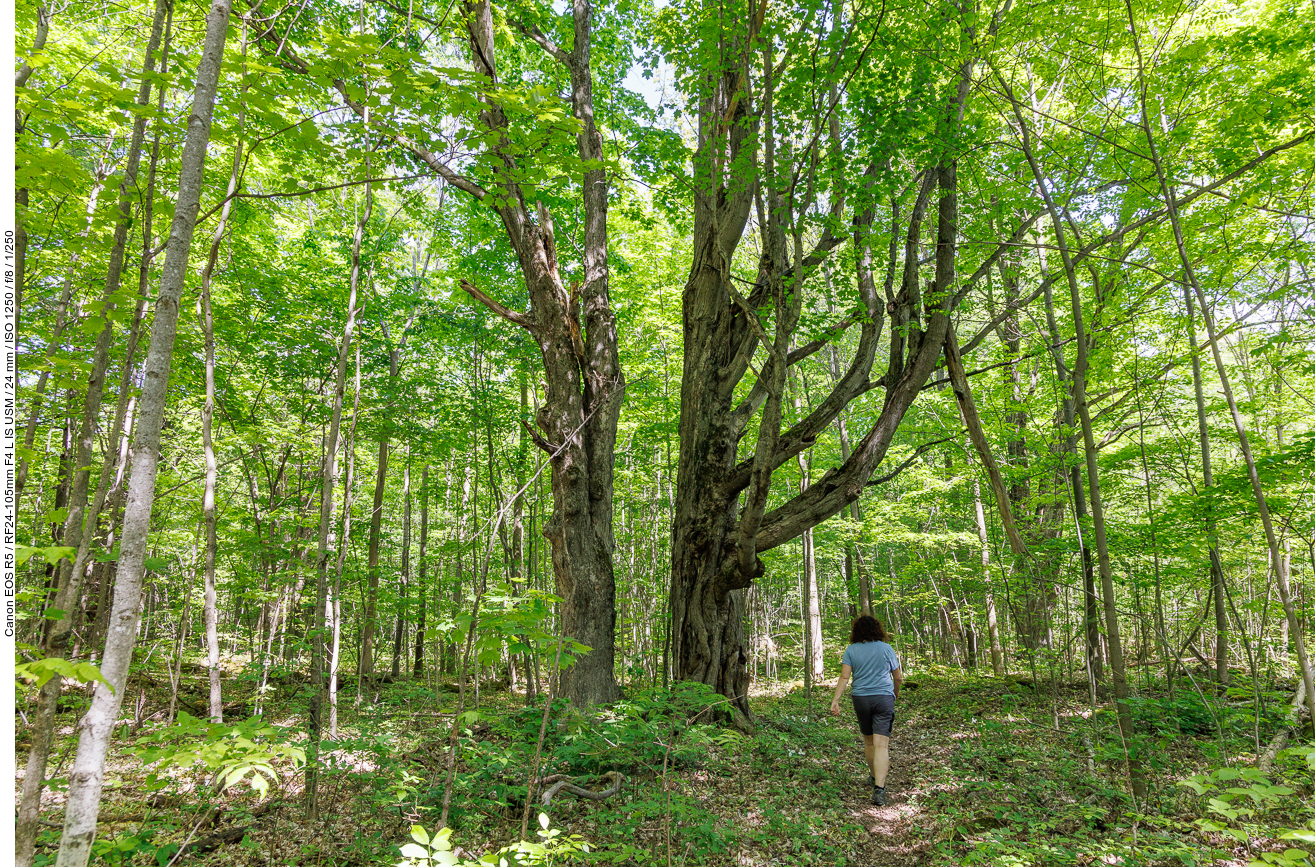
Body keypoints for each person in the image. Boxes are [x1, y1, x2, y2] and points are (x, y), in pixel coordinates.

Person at [829, 614, 903, 805]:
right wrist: (894, 694)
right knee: (881, 745)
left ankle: (873, 776)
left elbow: (844, 678)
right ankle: (879, 788)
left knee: (869, 742)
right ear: (877, 630)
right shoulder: (886, 648)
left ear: (856, 631)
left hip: (861, 698)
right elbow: (898, 678)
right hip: (884, 698)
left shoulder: (851, 650)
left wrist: (835, 700)